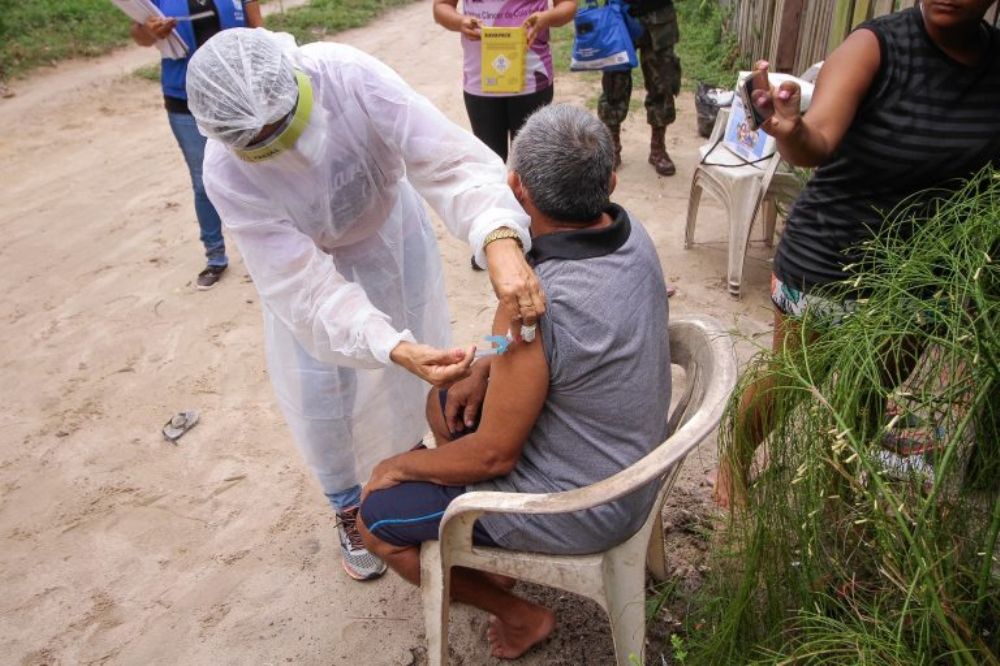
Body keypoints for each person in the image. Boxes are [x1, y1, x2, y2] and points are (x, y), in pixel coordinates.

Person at [184, 29, 547, 580]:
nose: (280, 144)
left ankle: (410, 468)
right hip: (311, 273)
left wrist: (497, 236)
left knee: (417, 371)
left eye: (283, 125)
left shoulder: (347, 75)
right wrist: (387, 343)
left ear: (297, 81)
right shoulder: (226, 170)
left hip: (390, 241)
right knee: (321, 394)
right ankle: (347, 505)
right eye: (259, 143)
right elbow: (301, 284)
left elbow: (447, 161)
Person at [357, 104, 671, 659]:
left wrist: (396, 465)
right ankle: (488, 553)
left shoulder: (538, 307)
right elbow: (529, 348)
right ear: (611, 182)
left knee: (375, 521)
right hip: (633, 466)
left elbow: (492, 457)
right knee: (447, 399)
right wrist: (488, 361)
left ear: (515, 188)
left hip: (581, 506)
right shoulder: (629, 231)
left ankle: (522, 614)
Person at [714, 0, 1000, 508]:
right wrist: (792, 132)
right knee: (794, 381)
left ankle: (835, 485)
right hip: (830, 259)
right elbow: (817, 140)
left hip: (918, 275)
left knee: (872, 392)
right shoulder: (874, 46)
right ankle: (732, 464)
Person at [129, 0, 262, 289]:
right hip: (184, 98)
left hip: (238, 91)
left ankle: (266, 250)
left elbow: (258, 31)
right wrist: (151, 32)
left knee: (256, 168)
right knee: (204, 181)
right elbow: (139, 35)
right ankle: (215, 257)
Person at [433, 0, 577, 164]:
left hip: (533, 81)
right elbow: (441, 7)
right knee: (490, 167)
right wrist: (459, 22)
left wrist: (547, 17)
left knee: (530, 166)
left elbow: (568, 5)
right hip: (481, 83)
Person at [597, 0, 681, 176]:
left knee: (662, 82)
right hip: (618, 12)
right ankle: (613, 148)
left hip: (659, 15)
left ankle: (658, 148)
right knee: (614, 84)